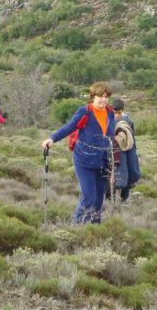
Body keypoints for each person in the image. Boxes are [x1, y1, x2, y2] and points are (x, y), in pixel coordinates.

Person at [41, 82, 116, 224]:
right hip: (84, 160)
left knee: (99, 198)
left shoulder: (110, 113)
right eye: (101, 96)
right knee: (89, 197)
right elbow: (70, 126)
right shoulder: (85, 111)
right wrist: (52, 138)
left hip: (103, 162)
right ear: (93, 96)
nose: (104, 100)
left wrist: (113, 166)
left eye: (106, 97)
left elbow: (112, 139)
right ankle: (76, 228)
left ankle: (94, 228)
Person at [107, 98, 140, 203]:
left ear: (123, 111)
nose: (116, 115)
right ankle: (111, 201)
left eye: (119, 113)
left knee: (127, 173)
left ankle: (122, 200)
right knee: (115, 175)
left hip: (127, 150)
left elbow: (132, 138)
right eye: (114, 112)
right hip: (113, 150)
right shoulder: (108, 119)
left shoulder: (128, 121)